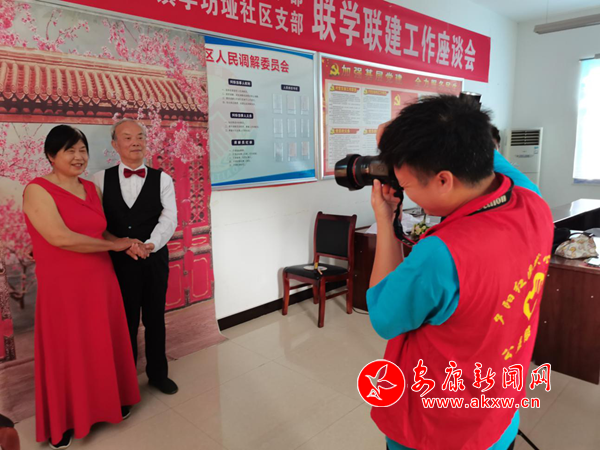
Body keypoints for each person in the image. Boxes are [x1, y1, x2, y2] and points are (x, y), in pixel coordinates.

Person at [367, 95, 553, 450]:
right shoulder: (534, 204)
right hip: (499, 416)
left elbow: (384, 319)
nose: (405, 192)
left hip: (437, 429)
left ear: (443, 180)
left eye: (406, 186)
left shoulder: (442, 255)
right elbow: (483, 152)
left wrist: (384, 219)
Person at [23, 125, 141, 449]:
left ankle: (110, 402)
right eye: (70, 151)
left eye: (82, 150)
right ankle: (63, 421)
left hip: (100, 279)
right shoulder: (37, 189)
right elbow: (59, 237)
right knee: (68, 348)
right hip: (63, 285)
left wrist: (125, 242)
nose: (79, 157)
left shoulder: (90, 188)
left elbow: (100, 233)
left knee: (101, 342)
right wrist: (115, 246)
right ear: (51, 155)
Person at [92, 119, 178, 396]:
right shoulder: (98, 180)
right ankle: (126, 385)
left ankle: (158, 374)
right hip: (117, 262)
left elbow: (169, 218)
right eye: (127, 137)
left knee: (155, 319)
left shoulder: (162, 179)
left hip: (154, 259)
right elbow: (96, 221)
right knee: (124, 323)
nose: (135, 142)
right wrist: (122, 245)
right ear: (115, 144)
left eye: (140, 136)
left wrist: (150, 244)